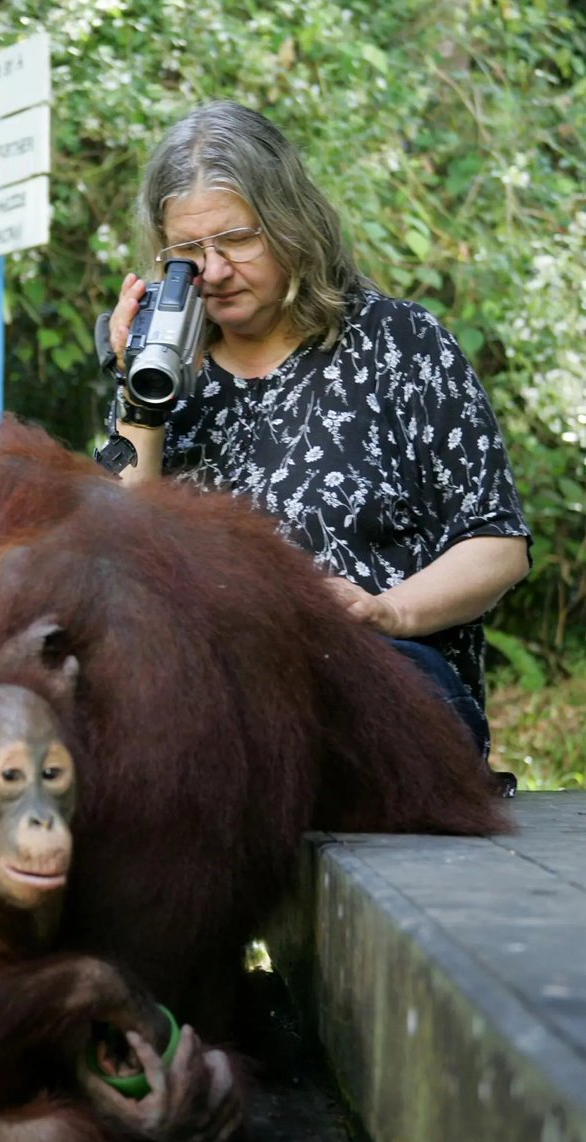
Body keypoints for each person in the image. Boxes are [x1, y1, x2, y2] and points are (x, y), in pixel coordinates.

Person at [105, 100, 530, 767]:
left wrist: (384, 612)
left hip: (383, 689)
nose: (212, 271)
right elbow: (118, 566)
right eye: (187, 253)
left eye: (237, 241)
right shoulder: (162, 377)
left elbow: (496, 546)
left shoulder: (400, 345)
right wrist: (142, 394)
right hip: (212, 712)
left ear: (290, 224)